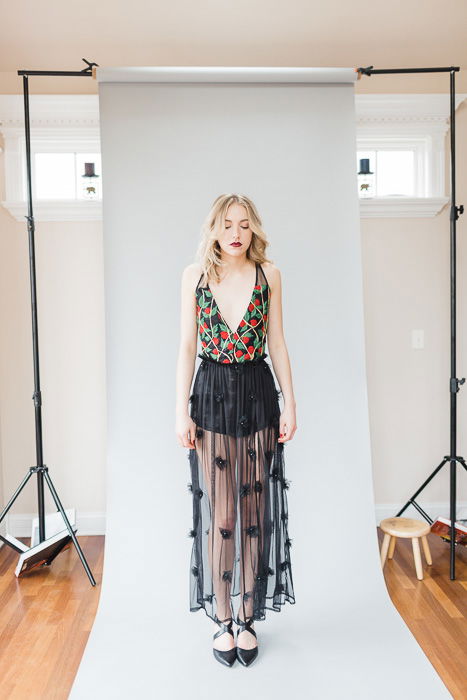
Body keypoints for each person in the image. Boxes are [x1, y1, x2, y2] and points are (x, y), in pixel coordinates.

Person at [175, 193, 297, 667]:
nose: (236, 232)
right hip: (210, 398)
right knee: (222, 514)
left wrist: (291, 404)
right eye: (228, 224)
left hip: (258, 394)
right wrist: (178, 410)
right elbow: (187, 346)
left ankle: (248, 617)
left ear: (254, 230)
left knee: (254, 512)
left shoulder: (270, 276)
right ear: (215, 228)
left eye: (244, 224)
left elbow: (278, 343)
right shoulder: (195, 276)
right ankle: (223, 618)